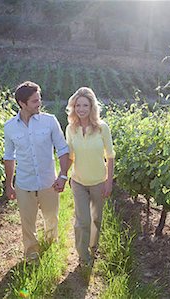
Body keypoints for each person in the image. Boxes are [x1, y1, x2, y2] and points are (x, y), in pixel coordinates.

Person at [3, 81, 70, 262]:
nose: (39, 104)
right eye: (34, 101)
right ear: (22, 103)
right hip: (24, 183)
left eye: (39, 99)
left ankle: (50, 245)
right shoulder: (9, 127)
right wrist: (9, 184)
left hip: (49, 182)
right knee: (27, 222)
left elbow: (63, 149)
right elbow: (9, 157)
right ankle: (31, 253)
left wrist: (63, 176)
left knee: (51, 217)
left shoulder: (50, 122)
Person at [65, 87, 115, 268]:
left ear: (92, 107)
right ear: (73, 107)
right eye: (78, 105)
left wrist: (109, 182)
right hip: (78, 181)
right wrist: (63, 176)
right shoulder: (71, 129)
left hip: (98, 182)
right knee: (82, 221)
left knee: (96, 219)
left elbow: (110, 156)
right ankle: (83, 255)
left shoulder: (103, 128)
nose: (81, 109)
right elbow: (70, 157)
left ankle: (93, 246)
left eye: (85, 105)